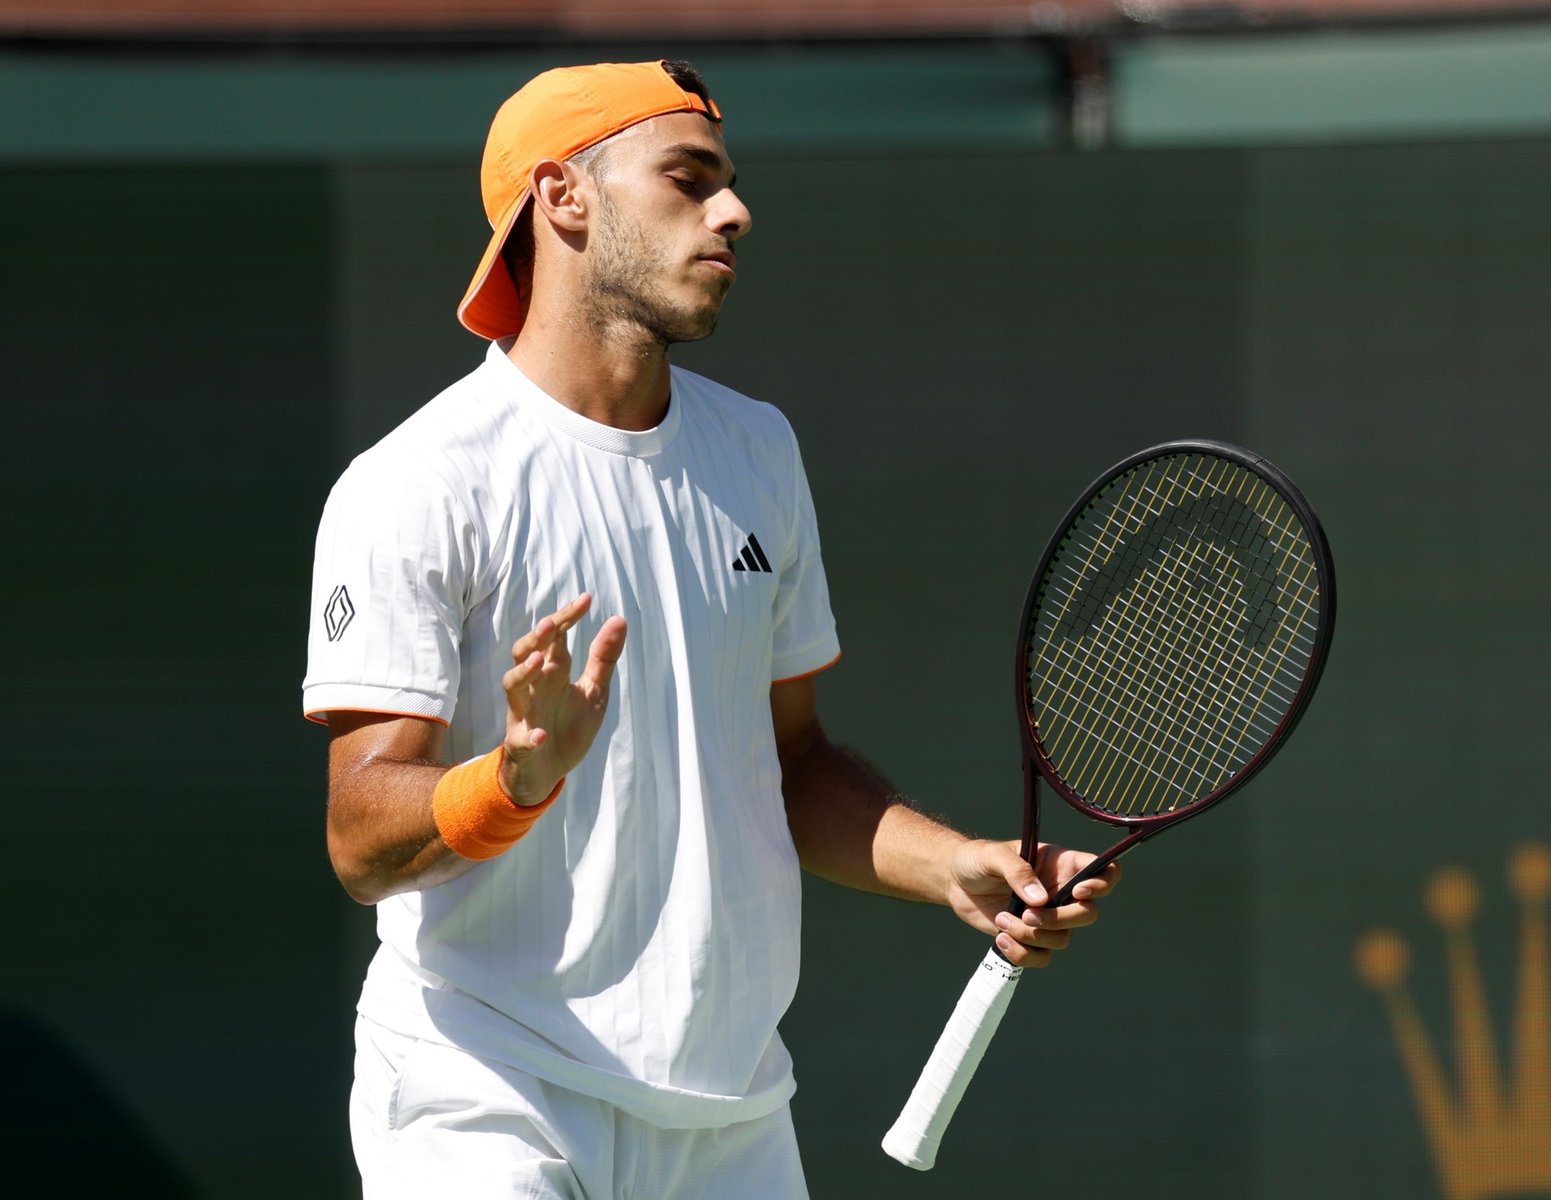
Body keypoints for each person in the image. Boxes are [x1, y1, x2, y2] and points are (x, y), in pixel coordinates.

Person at [303, 59, 1120, 1199]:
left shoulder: (758, 454)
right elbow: (359, 838)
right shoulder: (414, 485)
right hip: (483, 1095)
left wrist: (953, 867)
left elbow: (786, 767)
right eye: (688, 180)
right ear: (563, 199)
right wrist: (516, 778)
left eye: (730, 185)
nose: (733, 212)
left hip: (731, 1117)